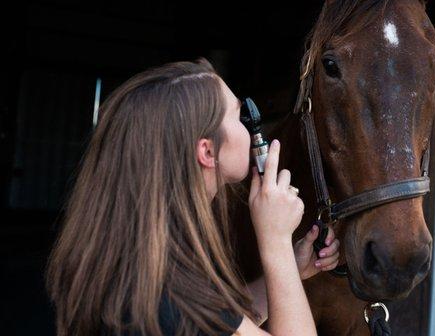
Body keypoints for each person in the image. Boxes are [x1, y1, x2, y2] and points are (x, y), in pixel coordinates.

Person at [45, 58, 340, 335]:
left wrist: (289, 271)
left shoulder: (144, 270)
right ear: (207, 151)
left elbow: (219, 321)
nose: (251, 126)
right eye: (239, 115)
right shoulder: (169, 295)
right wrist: (275, 242)